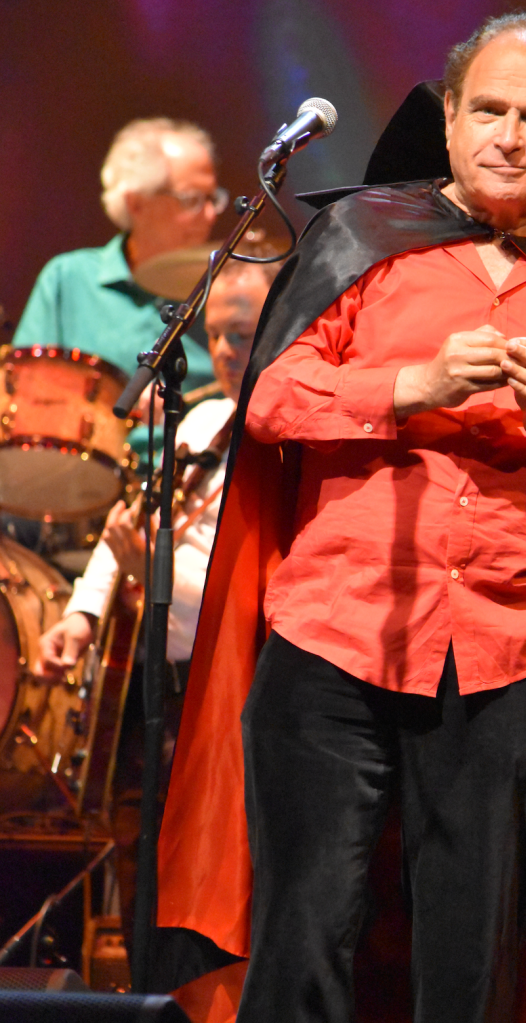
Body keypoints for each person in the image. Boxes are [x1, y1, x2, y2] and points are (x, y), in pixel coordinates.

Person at [157, 13, 526, 1023]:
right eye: (487, 110)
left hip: (506, 656)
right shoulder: (362, 241)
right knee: (304, 936)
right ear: (448, 122)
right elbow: (271, 402)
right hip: (332, 639)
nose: (508, 137)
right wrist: (411, 384)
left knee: (471, 958)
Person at [34, 244, 277, 955]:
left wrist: (150, 577)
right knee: (146, 885)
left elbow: (252, 601)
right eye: (218, 336)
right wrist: (82, 615)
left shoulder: (289, 442)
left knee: (213, 906)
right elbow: (127, 532)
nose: (228, 352)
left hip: (231, 701)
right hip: (157, 696)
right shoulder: (200, 424)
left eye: (245, 333)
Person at [13, 116, 225, 392]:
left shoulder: (222, 292)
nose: (210, 215)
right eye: (192, 200)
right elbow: (26, 391)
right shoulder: (69, 279)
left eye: (212, 198)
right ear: (136, 203)